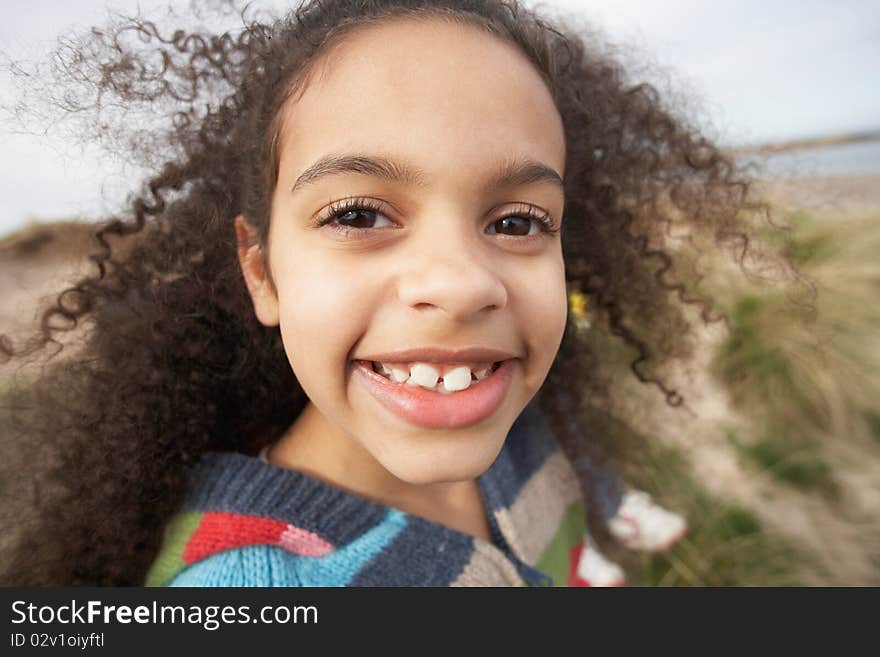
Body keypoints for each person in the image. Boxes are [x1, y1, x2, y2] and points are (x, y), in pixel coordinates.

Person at [1, 0, 764, 587]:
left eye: (518, 220)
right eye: (358, 213)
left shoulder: (530, 432)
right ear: (261, 270)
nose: (462, 283)